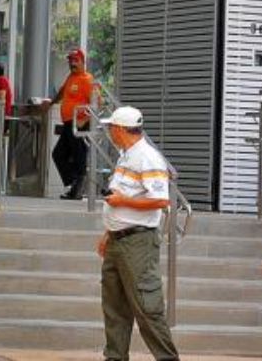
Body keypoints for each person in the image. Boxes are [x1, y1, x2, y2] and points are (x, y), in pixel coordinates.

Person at [95, 106, 178, 361]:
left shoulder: (147, 157)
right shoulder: (126, 156)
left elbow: (161, 200)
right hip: (119, 239)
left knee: (147, 306)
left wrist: (122, 202)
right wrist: (109, 233)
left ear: (120, 129)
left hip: (137, 242)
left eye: (111, 127)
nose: (109, 131)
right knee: (114, 307)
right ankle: (115, 357)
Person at [40, 48, 96, 199]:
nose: (72, 63)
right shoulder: (71, 77)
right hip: (68, 123)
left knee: (78, 157)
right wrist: (51, 103)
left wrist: (84, 119)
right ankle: (74, 184)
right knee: (58, 154)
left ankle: (77, 187)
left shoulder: (87, 80)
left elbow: (97, 104)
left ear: (83, 62)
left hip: (79, 124)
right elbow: (62, 92)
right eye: (70, 60)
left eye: (75, 60)